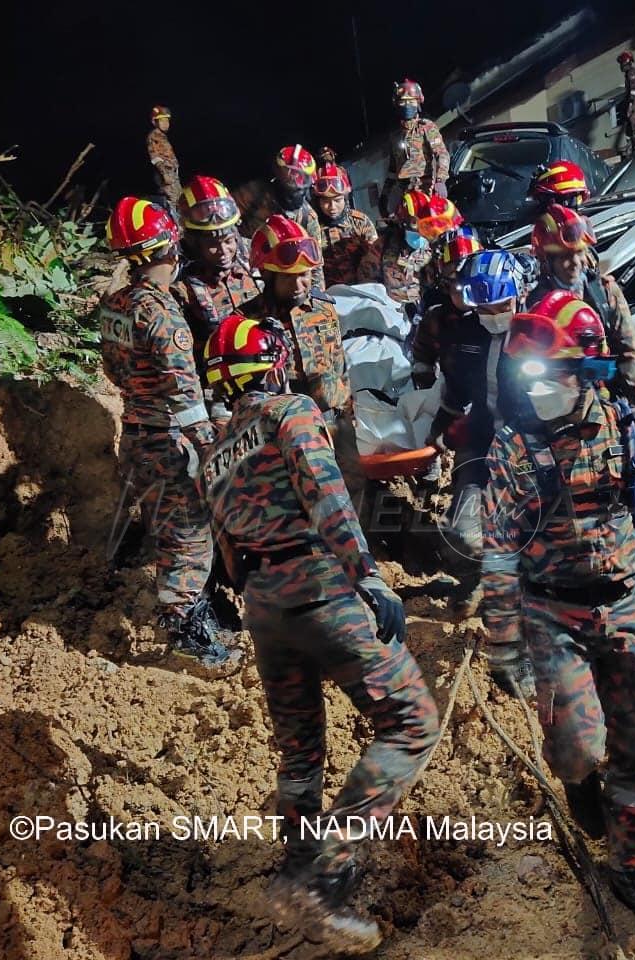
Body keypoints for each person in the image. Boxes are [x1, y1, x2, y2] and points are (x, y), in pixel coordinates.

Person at [197, 314, 438, 955]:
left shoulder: (212, 455)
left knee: (300, 753)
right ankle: (326, 877)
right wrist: (370, 577)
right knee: (412, 723)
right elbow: (326, 493)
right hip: (322, 589)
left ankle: (293, 871)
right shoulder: (290, 411)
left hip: (264, 610)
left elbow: (224, 556)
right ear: (273, 364)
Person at [480, 290, 635, 933]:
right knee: (581, 748)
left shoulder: (632, 430)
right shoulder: (513, 448)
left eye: (550, 373)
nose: (536, 390)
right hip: (552, 617)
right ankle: (580, 779)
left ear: (587, 370)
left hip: (629, 607)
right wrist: (503, 640)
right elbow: (500, 551)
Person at [98, 197, 238, 673]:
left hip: (137, 433)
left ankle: (199, 615)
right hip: (168, 439)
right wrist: (209, 444)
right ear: (171, 246)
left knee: (170, 529)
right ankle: (184, 634)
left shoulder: (115, 306)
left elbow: (117, 372)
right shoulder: (161, 312)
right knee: (187, 537)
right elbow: (184, 390)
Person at [424, 251, 525, 613]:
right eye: (486, 309)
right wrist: (441, 425)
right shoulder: (466, 334)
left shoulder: (540, 334)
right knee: (463, 535)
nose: (495, 316)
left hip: (532, 452)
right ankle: (479, 577)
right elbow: (456, 387)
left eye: (503, 305)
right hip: (483, 442)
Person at [242, 215, 363, 497]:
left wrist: (349, 418)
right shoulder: (248, 323)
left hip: (333, 423)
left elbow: (339, 364)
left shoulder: (324, 310)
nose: (299, 284)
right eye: (289, 277)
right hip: (286, 432)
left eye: (305, 274)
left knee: (353, 493)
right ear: (268, 275)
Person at [528, 204, 635, 407]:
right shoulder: (536, 305)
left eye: (579, 253)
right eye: (565, 257)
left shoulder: (604, 291)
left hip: (607, 399)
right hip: (560, 404)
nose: (575, 262)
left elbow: (629, 354)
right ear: (547, 261)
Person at [172, 175, 260, 423]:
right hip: (218, 394)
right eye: (212, 244)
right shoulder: (178, 281)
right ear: (193, 241)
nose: (223, 252)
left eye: (228, 241)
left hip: (265, 379)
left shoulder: (253, 255)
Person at [411, 228, 484, 390]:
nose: (465, 289)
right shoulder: (437, 318)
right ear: (446, 284)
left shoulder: (497, 306)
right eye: (455, 280)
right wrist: (428, 389)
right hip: (456, 394)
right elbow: (422, 357)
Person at [381, 78, 449, 215]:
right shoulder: (395, 136)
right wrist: (385, 194)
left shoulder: (426, 128)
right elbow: (393, 170)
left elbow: (442, 154)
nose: (406, 105)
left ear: (418, 103)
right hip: (405, 193)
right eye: (402, 102)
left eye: (411, 101)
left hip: (426, 190)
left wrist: (440, 180)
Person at [361, 189, 435, 307]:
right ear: (402, 222)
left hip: (423, 312)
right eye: (415, 223)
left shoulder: (435, 248)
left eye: (425, 223)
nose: (420, 231)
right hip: (389, 311)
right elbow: (366, 281)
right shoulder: (382, 247)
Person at [313, 163, 378, 287]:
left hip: (361, 289)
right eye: (326, 201)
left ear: (345, 198)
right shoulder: (312, 228)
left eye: (337, 200)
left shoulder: (360, 221)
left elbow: (374, 259)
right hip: (330, 295)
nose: (332, 207)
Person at [272, 144, 327, 290]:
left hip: (296, 284)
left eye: (301, 178)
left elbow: (316, 263)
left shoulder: (308, 217)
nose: (295, 181)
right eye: (289, 176)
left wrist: (317, 299)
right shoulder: (261, 207)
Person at [146, 105, 181, 204]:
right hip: (166, 176)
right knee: (173, 202)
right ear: (154, 122)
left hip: (172, 175)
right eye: (162, 121)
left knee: (179, 200)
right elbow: (155, 158)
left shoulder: (162, 136)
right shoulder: (154, 136)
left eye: (167, 120)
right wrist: (165, 174)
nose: (166, 124)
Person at [617, 52, 635, 158]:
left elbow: (633, 89)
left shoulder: (631, 73)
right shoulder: (629, 73)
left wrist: (630, 103)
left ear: (626, 63)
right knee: (632, 124)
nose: (620, 66)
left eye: (621, 63)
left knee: (634, 122)